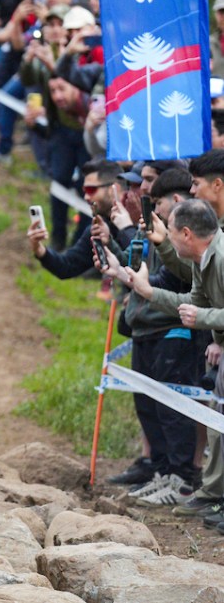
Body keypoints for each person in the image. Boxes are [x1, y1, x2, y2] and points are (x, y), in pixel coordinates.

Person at [121, 198, 224, 508]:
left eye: (170, 232)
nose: (167, 238)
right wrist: (147, 291)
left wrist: (204, 321)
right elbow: (192, 303)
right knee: (216, 428)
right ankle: (212, 495)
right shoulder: (200, 260)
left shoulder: (221, 258)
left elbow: (201, 313)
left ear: (187, 233)